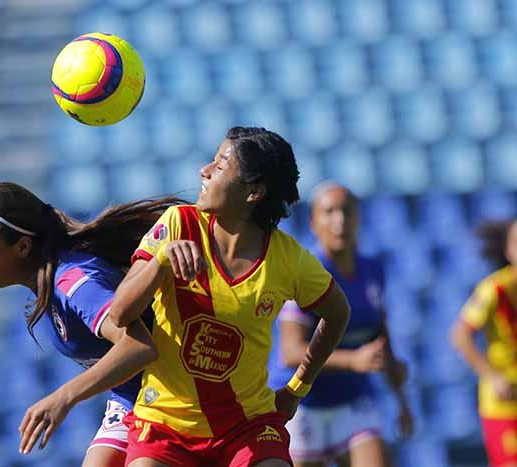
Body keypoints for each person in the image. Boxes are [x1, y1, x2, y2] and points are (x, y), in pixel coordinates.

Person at [108, 127, 352, 467]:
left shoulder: (288, 259)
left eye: (219, 166)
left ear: (253, 192)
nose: (203, 171)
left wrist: (298, 387)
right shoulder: (179, 224)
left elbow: (338, 313)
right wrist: (162, 261)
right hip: (165, 426)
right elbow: (119, 314)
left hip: (247, 428)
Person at [0, 182, 185, 467]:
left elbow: (138, 347)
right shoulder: (51, 283)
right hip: (131, 397)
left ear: (22, 246)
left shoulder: (73, 283)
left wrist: (64, 397)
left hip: (171, 397)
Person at [269, 182, 413, 467]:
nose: (340, 220)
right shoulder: (305, 272)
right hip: (302, 404)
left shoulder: (373, 269)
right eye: (329, 212)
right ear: (313, 223)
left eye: (347, 210)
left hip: (353, 401)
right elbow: (291, 352)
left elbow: (379, 333)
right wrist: (353, 360)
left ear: (359, 217)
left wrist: (401, 400)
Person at [451, 219, 517, 467]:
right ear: (509, 251)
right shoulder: (494, 289)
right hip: (503, 404)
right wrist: (493, 376)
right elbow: (460, 335)